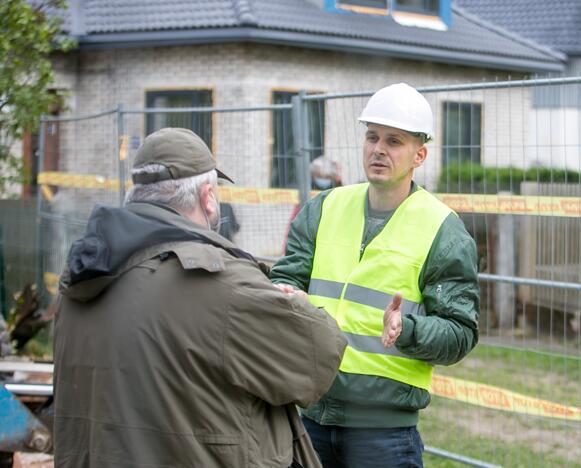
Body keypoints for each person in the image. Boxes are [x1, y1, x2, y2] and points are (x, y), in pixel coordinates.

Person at [53, 127, 347, 467]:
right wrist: (296, 305)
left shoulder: (79, 285)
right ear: (208, 196)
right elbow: (319, 356)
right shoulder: (221, 286)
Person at [269, 83, 480, 468]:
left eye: (394, 141)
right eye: (372, 137)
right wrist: (284, 298)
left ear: (420, 154)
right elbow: (286, 280)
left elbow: (460, 332)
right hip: (312, 417)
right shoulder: (324, 208)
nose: (378, 149)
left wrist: (410, 330)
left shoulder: (443, 230)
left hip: (384, 433)